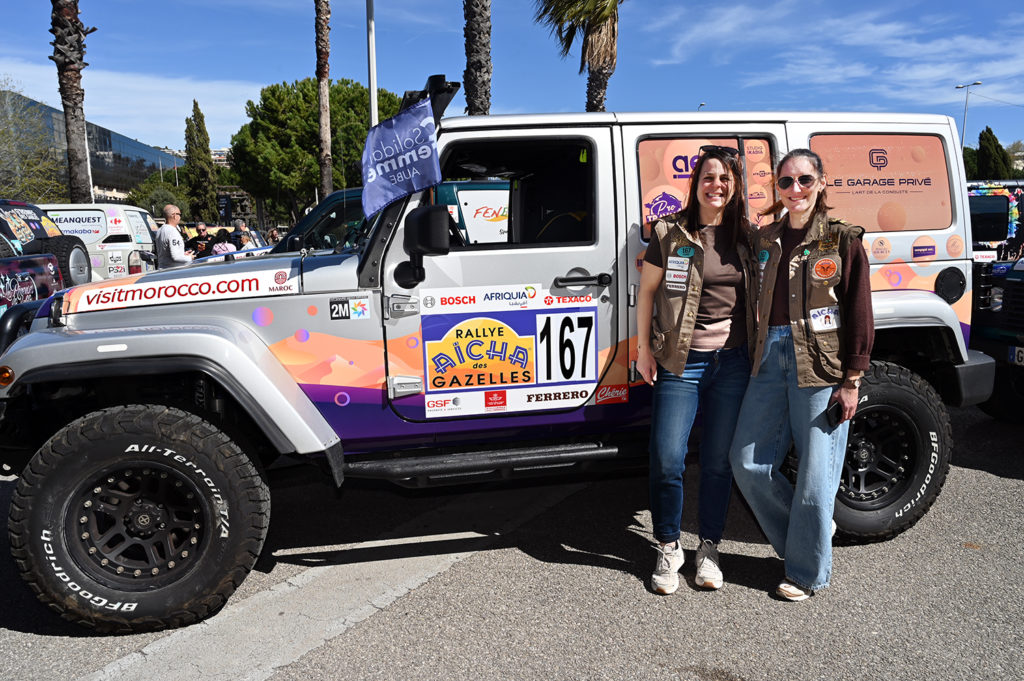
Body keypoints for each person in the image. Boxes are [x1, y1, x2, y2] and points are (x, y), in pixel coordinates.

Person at [729, 148, 874, 602]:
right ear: (777, 186)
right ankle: (808, 534)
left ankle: (807, 573)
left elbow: (858, 312)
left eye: (805, 180)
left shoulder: (842, 240)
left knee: (816, 473)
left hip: (821, 363)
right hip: (769, 355)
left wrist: (852, 380)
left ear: (822, 183)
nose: (795, 190)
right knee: (747, 463)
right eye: (786, 182)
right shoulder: (765, 238)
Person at [636, 145, 757, 595]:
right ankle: (669, 547)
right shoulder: (669, 233)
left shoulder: (748, 236)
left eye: (725, 178)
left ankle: (709, 547)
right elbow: (646, 292)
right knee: (668, 458)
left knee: (717, 462)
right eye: (708, 177)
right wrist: (643, 349)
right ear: (696, 184)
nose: (716, 185)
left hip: (733, 363)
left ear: (736, 185)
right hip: (679, 361)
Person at [155, 205, 193, 269]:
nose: (180, 217)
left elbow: (167, 253)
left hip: (162, 269)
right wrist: (190, 257)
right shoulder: (172, 231)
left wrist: (183, 254)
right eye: (180, 214)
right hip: (173, 272)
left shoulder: (159, 230)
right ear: (175, 215)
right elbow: (176, 257)